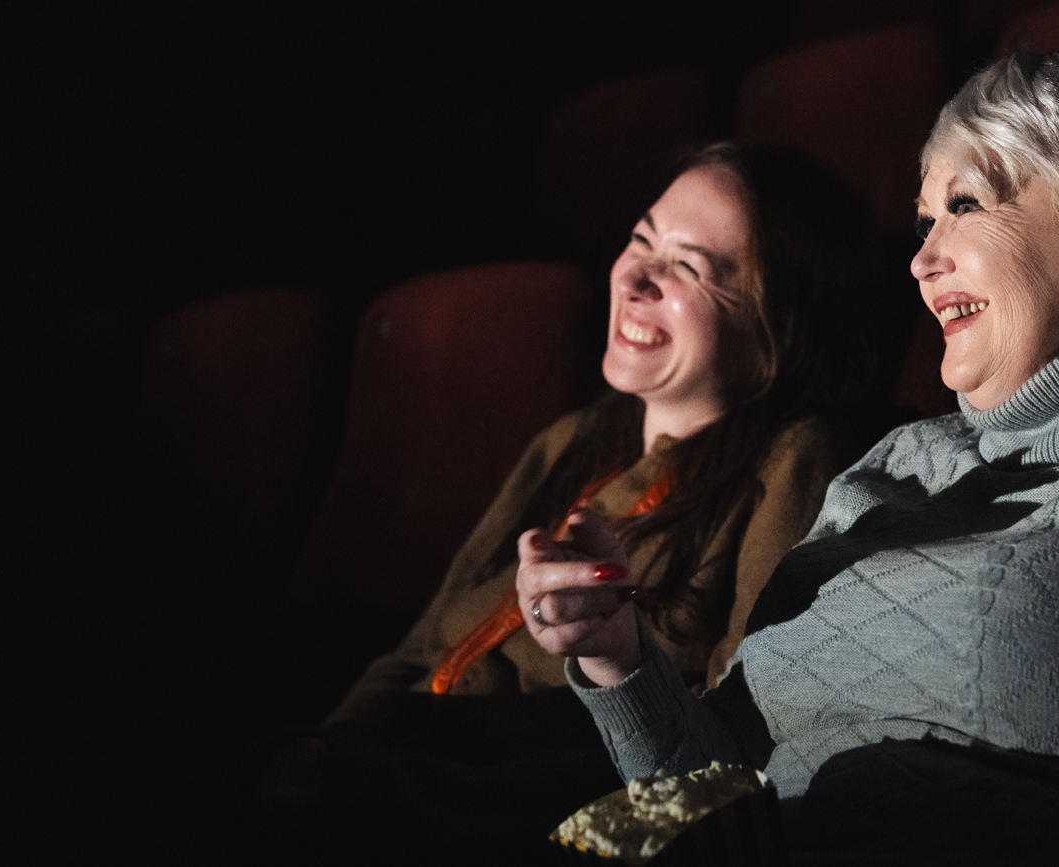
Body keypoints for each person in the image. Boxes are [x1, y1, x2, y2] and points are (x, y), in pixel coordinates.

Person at [522, 46, 1059, 863]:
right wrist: (618, 656)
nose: (921, 260)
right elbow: (713, 790)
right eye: (925, 221)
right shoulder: (898, 464)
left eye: (966, 205)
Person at [260, 142, 892, 863]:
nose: (636, 277)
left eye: (689, 268)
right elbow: (418, 649)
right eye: (642, 240)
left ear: (780, 324)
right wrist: (325, 748)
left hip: (506, 813)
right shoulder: (571, 440)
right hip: (388, 771)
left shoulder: (799, 458)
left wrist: (391, 792)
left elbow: (735, 746)